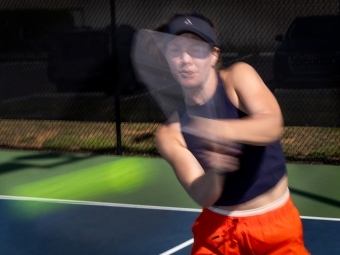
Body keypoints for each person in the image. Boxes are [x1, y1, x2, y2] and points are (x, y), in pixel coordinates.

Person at [153, 12, 310, 254]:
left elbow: (271, 124)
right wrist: (217, 169)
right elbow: (202, 194)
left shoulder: (238, 77)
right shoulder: (169, 134)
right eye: (175, 51)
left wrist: (218, 130)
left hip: (275, 229)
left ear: (214, 55)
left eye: (196, 49)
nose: (185, 59)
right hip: (217, 232)